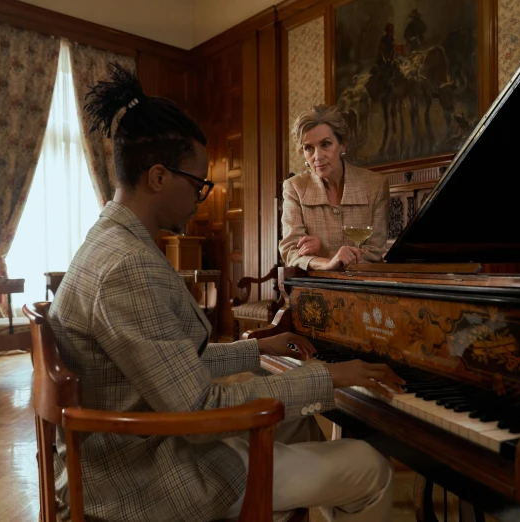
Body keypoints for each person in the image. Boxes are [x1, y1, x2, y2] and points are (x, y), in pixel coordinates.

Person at [47, 64, 404, 522]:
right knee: (370, 468)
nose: (200, 197)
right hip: (148, 476)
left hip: (142, 442)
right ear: (158, 177)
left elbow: (174, 363)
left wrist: (255, 350)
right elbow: (198, 407)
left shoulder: (112, 240)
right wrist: (332, 377)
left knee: (297, 423)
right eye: (198, 183)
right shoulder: (127, 267)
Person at [280, 104, 390, 271]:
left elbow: (374, 254)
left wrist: (325, 252)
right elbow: (291, 252)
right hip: (315, 289)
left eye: (325, 144)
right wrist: (327, 263)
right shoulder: (294, 187)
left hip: (366, 287)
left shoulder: (375, 185)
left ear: (342, 144)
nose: (317, 156)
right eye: (308, 148)